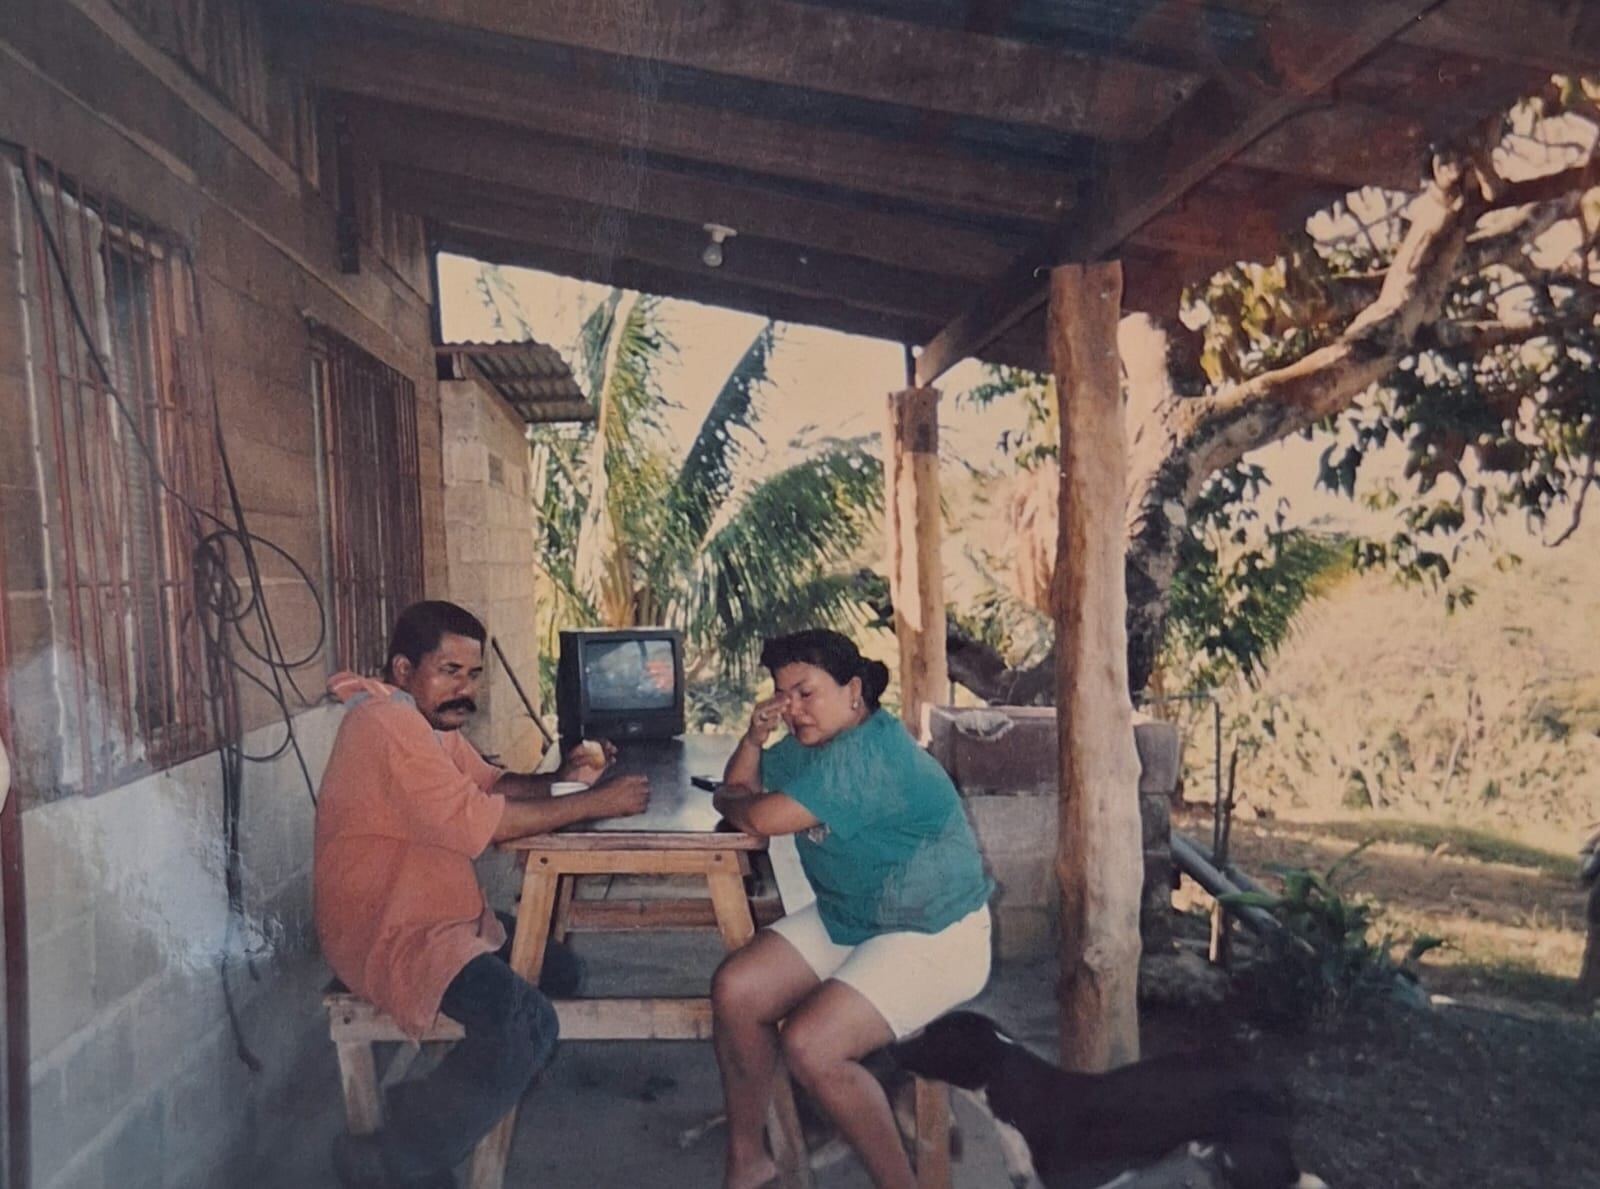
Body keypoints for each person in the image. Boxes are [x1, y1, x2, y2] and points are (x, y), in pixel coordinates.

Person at [315, 600, 651, 1188]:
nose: (465, 690)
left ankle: (438, 1105)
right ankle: (396, 1155)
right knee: (528, 1025)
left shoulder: (425, 722)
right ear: (404, 669)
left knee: (559, 971)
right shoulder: (387, 725)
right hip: (388, 930)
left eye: (472, 675)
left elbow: (493, 783)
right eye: (450, 672)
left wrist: (564, 778)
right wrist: (597, 802)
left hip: (437, 912)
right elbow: (486, 822)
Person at [710, 629, 994, 1189]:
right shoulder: (811, 745)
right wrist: (754, 738)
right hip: (857, 915)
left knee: (813, 1045)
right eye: (782, 695)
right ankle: (749, 1159)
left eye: (805, 692)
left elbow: (757, 816)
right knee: (737, 990)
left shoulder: (871, 755)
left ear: (854, 691)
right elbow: (743, 785)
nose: (792, 708)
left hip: (936, 935)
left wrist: (731, 801)